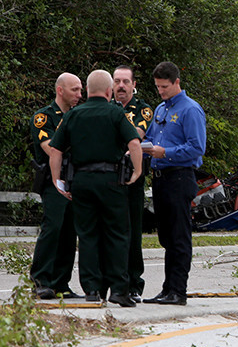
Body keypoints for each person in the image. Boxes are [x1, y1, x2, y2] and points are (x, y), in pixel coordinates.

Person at [48, 70, 143, 307]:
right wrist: (138, 171)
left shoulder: (73, 114)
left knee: (88, 235)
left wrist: (56, 179)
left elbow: (56, 150)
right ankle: (119, 290)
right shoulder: (116, 112)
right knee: (118, 234)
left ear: (87, 91)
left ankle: (92, 289)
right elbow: (134, 142)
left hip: (81, 181)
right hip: (111, 181)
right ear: (109, 91)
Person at [142, 61, 206, 306]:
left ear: (177, 82)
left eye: (165, 87)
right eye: (158, 87)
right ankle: (167, 288)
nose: (161, 91)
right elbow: (151, 137)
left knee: (179, 237)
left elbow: (196, 147)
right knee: (166, 238)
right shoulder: (160, 109)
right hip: (160, 179)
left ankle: (178, 290)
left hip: (179, 176)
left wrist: (164, 152)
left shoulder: (190, 110)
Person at [29, 73, 83, 299]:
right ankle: (41, 279)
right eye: (75, 90)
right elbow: (50, 148)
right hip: (55, 179)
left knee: (70, 232)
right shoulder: (45, 116)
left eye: (81, 90)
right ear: (60, 90)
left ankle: (61, 283)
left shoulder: (78, 115)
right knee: (53, 227)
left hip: (75, 178)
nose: (79, 95)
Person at [112, 65, 154, 303]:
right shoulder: (106, 107)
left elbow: (136, 134)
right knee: (110, 231)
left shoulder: (143, 109)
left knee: (132, 232)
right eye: (117, 81)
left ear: (133, 85)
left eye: (125, 82)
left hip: (132, 177)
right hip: (108, 177)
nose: (121, 86)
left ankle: (134, 283)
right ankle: (113, 282)